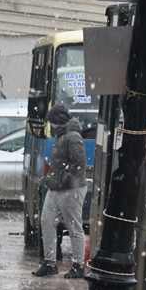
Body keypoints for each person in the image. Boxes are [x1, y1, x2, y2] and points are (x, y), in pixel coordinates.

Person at [33, 103, 87, 278]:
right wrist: (51, 180)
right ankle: (50, 262)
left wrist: (63, 179)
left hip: (71, 189)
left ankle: (78, 265)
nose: (51, 126)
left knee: (74, 227)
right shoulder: (63, 135)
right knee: (47, 221)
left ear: (58, 121)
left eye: (52, 122)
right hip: (56, 188)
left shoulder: (72, 136)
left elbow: (78, 164)